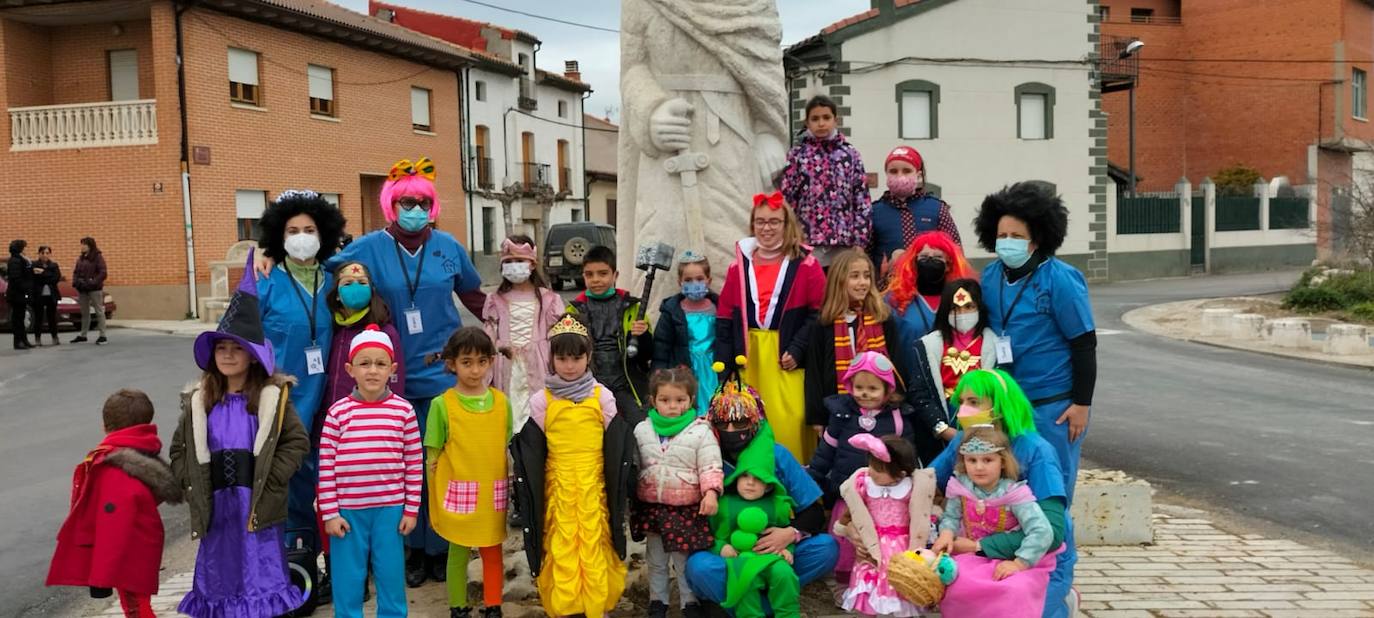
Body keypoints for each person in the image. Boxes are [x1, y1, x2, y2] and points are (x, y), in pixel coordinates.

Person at [319, 158, 486, 582]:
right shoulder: (368, 248)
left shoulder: (449, 247)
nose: (414, 208)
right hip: (385, 378)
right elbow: (325, 275)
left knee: (437, 466)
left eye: (422, 202)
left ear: (432, 206)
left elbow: (477, 299)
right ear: (392, 205)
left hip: (441, 375)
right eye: (406, 201)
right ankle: (410, 550)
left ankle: (440, 548)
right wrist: (270, 261)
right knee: (396, 468)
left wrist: (530, 317)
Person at [170, 253, 309, 617]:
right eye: (222, 348)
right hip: (217, 509)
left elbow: (297, 441)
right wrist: (191, 482)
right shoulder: (200, 401)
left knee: (258, 576)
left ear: (253, 357)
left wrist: (275, 475)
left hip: (256, 505)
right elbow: (179, 449)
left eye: (237, 349)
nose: (228, 355)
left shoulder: (270, 399)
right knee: (220, 576)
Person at [973, 182, 1096, 508]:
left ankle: (1058, 558)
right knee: (1011, 493)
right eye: (1002, 236)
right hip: (1006, 405)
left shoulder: (1060, 279)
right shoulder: (990, 276)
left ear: (1037, 238)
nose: (1007, 243)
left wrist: (1081, 404)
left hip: (1053, 406)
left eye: (1017, 237)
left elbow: (1084, 344)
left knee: (1052, 491)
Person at [509, 314, 637, 617]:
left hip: (594, 485)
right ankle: (567, 607)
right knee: (562, 543)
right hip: (559, 485)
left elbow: (615, 442)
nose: (569, 365)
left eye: (576, 357)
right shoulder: (542, 400)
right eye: (562, 358)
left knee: (595, 541)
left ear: (588, 357)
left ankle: (597, 605)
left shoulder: (602, 396)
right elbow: (532, 446)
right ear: (552, 358)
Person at [684, 361, 839, 610]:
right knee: (698, 567)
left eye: (740, 423)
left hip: (776, 552)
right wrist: (720, 545)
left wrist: (790, 534)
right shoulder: (704, 454)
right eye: (724, 424)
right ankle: (764, 605)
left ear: (755, 421)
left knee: (827, 548)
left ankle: (750, 605)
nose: (731, 430)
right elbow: (691, 519)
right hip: (729, 552)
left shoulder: (777, 455)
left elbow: (812, 510)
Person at [925, 369, 1072, 618]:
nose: (964, 410)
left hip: (1035, 558)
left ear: (1000, 405)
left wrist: (977, 545)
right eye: (961, 402)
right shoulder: (963, 440)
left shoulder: (1037, 451)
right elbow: (927, 482)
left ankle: (1063, 602)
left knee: (1018, 607)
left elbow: (1053, 533)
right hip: (978, 558)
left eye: (974, 402)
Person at [258, 189, 347, 570]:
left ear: (322, 234)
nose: (301, 236)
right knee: (290, 487)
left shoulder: (337, 280)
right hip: (281, 403)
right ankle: (297, 566)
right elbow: (237, 344)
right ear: (279, 237)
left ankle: (340, 565)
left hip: (329, 401)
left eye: (309, 229)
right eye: (292, 230)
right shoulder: (263, 282)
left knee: (331, 484)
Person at [46, 389, 183, 617]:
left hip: (126, 553)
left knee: (137, 608)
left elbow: (113, 528)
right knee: (138, 605)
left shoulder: (113, 469)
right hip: (140, 544)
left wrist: (101, 575)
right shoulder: (142, 456)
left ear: (104, 426)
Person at [318, 326, 422, 618]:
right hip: (348, 513)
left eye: (380, 363)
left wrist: (411, 509)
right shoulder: (338, 413)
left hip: (390, 510)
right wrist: (330, 513)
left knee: (390, 577)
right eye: (364, 363)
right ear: (350, 369)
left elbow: (414, 462)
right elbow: (325, 465)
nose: (372, 371)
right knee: (348, 581)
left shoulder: (403, 411)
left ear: (393, 368)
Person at [715, 192, 825, 462]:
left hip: (784, 356)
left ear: (787, 225)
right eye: (761, 222)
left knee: (790, 421)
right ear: (753, 225)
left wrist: (798, 348)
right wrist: (725, 364)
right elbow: (726, 316)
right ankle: (749, 488)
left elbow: (819, 313)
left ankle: (795, 489)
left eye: (774, 222)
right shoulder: (738, 266)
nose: (767, 228)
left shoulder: (807, 264)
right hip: (748, 356)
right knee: (747, 423)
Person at [807, 350, 915, 585]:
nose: (864, 393)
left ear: (888, 389)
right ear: (849, 385)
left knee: (878, 538)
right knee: (846, 540)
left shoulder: (897, 418)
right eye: (859, 387)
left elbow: (906, 454)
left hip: (883, 496)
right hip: (848, 491)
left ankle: (877, 580)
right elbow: (826, 449)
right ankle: (843, 581)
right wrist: (812, 476)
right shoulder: (842, 414)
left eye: (873, 389)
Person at [427, 327, 512, 618]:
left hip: (492, 490)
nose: (475, 370)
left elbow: (505, 442)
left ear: (491, 361)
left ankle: (493, 606)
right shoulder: (442, 405)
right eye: (466, 362)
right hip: (459, 490)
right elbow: (433, 454)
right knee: (458, 551)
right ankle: (457, 607)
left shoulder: (502, 402)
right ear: (452, 363)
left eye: (481, 361)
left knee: (492, 549)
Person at [932, 426, 1058, 618]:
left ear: (1003, 462)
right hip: (972, 556)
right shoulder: (961, 488)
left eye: (988, 460)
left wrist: (1019, 564)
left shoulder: (1014, 494)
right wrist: (947, 534)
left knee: (1013, 588)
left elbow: (1042, 531)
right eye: (972, 460)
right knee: (957, 583)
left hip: (1011, 557)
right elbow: (951, 516)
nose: (979, 467)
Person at [632, 367, 723, 618]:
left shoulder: (700, 431)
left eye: (680, 400)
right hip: (652, 508)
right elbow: (633, 464)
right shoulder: (642, 430)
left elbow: (710, 465)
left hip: (685, 509)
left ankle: (689, 602)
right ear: (653, 401)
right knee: (656, 559)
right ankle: (657, 601)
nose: (672, 406)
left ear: (691, 400)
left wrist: (711, 492)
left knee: (683, 559)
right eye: (665, 400)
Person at [803, 249, 904, 435]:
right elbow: (814, 373)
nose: (862, 282)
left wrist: (897, 401)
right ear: (839, 281)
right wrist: (817, 417)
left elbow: (896, 362)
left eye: (866, 276)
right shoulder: (824, 323)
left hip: (881, 409)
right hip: (837, 410)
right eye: (855, 276)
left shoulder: (883, 317)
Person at [833, 434, 936, 617]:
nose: (871, 472)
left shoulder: (912, 487)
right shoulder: (863, 483)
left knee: (899, 588)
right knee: (869, 591)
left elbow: (923, 513)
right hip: (872, 546)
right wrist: (846, 528)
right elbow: (852, 512)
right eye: (871, 465)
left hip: (900, 549)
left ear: (901, 473)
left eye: (878, 469)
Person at [708, 422, 800, 618]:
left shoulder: (778, 504)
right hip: (740, 557)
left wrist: (786, 550)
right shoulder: (724, 505)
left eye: (758, 478)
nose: (750, 482)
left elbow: (784, 530)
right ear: (736, 478)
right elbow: (714, 534)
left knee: (784, 575)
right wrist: (721, 548)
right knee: (744, 579)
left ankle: (787, 614)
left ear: (768, 485)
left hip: (772, 557)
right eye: (745, 476)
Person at [905, 279, 1000, 464]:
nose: (962, 313)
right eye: (955, 308)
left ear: (979, 307)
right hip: (940, 423)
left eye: (969, 306)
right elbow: (918, 392)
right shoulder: (927, 346)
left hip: (983, 423)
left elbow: (1003, 391)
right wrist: (942, 429)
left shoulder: (996, 345)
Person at [780, 95, 872, 268]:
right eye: (815, 119)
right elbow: (788, 199)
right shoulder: (797, 155)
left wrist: (860, 240)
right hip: (807, 241)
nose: (821, 124)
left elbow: (861, 200)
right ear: (807, 122)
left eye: (826, 118)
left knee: (839, 292)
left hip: (843, 242)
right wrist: (791, 234)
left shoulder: (850, 155)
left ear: (835, 120)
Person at [483, 235, 563, 431]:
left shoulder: (548, 300)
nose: (514, 265)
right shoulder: (495, 300)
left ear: (533, 264)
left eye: (519, 261)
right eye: (508, 262)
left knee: (539, 417)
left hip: (540, 364)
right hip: (505, 366)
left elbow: (557, 338)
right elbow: (488, 339)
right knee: (509, 419)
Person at [566, 244, 653, 417]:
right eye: (589, 274)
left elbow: (647, 355)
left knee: (638, 424)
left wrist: (642, 337)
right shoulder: (573, 310)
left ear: (615, 275)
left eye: (603, 273)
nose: (596, 279)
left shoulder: (634, 308)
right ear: (583, 276)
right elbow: (568, 350)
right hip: (589, 384)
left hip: (627, 384)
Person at [884, 231, 972, 384]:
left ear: (949, 265)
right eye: (924, 257)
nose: (930, 261)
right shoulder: (894, 300)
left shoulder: (963, 301)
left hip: (953, 385)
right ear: (913, 262)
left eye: (938, 257)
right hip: (908, 385)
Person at [324, 260, 406, 409]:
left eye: (362, 283)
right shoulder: (332, 329)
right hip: (335, 416)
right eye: (347, 283)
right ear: (336, 294)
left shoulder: (386, 332)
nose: (355, 287)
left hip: (373, 417)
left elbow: (396, 380)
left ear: (371, 289)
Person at [867, 146, 962, 272]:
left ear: (918, 175)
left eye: (906, 171)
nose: (900, 176)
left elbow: (956, 252)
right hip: (887, 288)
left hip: (929, 287)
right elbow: (864, 256)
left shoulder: (937, 208)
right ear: (887, 174)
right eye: (893, 171)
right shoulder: (874, 211)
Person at [652, 250, 719, 412]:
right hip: (684, 369)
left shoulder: (719, 308)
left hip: (714, 369)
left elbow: (727, 338)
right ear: (680, 282)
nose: (694, 283)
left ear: (708, 281)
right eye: (688, 280)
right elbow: (662, 345)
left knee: (714, 405)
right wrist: (659, 372)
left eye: (699, 279)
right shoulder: (672, 311)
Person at [71, 236, 108, 345]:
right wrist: (76, 282)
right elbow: (76, 272)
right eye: (81, 244)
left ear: (90, 246)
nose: (82, 247)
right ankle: (83, 335)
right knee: (84, 313)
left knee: (99, 311)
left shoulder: (98, 257)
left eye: (84, 245)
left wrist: (92, 282)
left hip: (94, 289)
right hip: (82, 289)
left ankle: (103, 336)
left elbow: (103, 273)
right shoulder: (81, 258)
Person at [30, 245, 61, 346]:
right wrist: (47, 275)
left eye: (47, 253)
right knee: (38, 317)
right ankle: (37, 339)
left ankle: (55, 337)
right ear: (39, 254)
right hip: (38, 295)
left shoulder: (54, 265)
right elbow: (35, 279)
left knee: (52, 317)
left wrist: (43, 273)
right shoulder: (34, 264)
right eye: (42, 253)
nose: (45, 255)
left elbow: (55, 279)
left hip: (51, 294)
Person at [7, 240, 34, 350]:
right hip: (16, 294)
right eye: (24, 247)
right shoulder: (15, 261)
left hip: (20, 294)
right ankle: (18, 341)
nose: (26, 250)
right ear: (20, 249)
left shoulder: (20, 260)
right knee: (17, 319)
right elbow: (16, 278)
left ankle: (24, 339)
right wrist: (26, 287)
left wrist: (29, 264)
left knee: (21, 317)